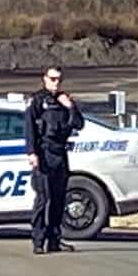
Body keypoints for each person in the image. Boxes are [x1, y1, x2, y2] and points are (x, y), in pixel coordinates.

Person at [24, 65, 84, 254]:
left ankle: (55, 239)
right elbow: (29, 128)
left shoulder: (64, 100)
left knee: (59, 198)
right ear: (44, 79)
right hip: (44, 153)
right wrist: (32, 153)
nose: (55, 83)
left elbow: (79, 124)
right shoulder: (37, 101)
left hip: (60, 153)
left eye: (58, 79)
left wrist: (71, 107)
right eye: (52, 79)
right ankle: (38, 240)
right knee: (44, 198)